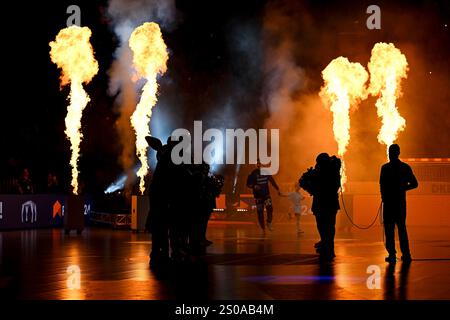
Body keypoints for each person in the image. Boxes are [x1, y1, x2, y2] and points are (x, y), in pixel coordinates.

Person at [380, 144, 418, 264]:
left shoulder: (385, 168)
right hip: (400, 203)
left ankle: (392, 254)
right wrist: (402, 188)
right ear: (399, 153)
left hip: (389, 204)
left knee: (389, 230)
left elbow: (382, 185)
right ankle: (406, 254)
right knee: (401, 228)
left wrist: (384, 197)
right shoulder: (405, 167)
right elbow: (414, 184)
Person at [299, 153, 341, 261]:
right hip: (331, 203)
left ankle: (326, 245)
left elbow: (302, 181)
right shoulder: (334, 171)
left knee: (322, 226)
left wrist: (311, 189)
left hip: (321, 203)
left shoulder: (318, 173)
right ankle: (329, 247)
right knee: (330, 226)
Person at [246, 159, 281, 233]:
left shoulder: (266, 172)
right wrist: (254, 186)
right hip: (258, 196)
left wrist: (277, 189)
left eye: (260, 163)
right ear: (255, 165)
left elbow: (272, 181)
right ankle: (263, 228)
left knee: (270, 208)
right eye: (257, 164)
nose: (259, 165)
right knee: (260, 212)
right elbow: (248, 184)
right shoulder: (253, 173)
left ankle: (269, 222)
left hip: (266, 195)